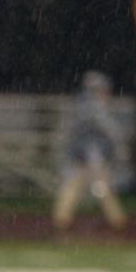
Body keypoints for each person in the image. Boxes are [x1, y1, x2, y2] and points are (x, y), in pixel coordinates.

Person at [52, 70, 129, 232]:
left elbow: (68, 131)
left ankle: (62, 219)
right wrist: (119, 147)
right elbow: (108, 128)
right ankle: (117, 220)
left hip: (81, 152)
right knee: (101, 187)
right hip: (91, 153)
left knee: (74, 185)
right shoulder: (93, 105)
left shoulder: (80, 104)